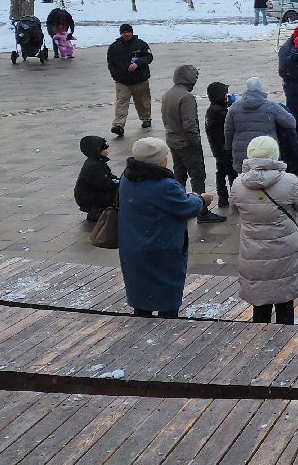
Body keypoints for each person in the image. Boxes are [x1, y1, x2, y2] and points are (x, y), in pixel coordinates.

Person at [117, 136, 212, 318]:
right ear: (160, 159)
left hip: (133, 246)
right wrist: (201, 199)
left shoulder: (127, 179)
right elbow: (187, 207)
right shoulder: (165, 185)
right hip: (161, 248)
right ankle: (166, 331)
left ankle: (140, 326)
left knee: (141, 295)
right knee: (167, 298)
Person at [230, 135, 298, 324]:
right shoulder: (289, 181)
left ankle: (260, 340)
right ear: (275, 155)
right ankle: (284, 342)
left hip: (253, 251)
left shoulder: (238, 183)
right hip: (284, 249)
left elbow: (235, 209)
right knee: (285, 300)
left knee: (260, 302)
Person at [160, 64, 225, 224]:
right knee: (198, 176)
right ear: (189, 79)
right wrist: (196, 142)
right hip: (187, 143)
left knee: (179, 175)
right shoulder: (186, 97)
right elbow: (189, 124)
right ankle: (201, 210)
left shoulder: (168, 94)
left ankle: (177, 207)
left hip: (173, 140)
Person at [224, 76, 297, 172]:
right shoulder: (271, 106)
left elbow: (228, 131)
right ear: (261, 88)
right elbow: (290, 122)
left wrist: (229, 148)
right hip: (266, 151)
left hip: (243, 152)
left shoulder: (234, 107)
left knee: (246, 180)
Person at [106, 24, 154, 138]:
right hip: (122, 82)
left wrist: (137, 63)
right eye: (124, 32)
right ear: (121, 33)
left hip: (140, 80)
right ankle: (118, 125)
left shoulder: (141, 44)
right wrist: (115, 76)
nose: (126, 34)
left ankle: (146, 118)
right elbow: (110, 63)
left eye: (128, 32)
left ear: (132, 32)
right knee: (121, 103)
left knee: (142, 102)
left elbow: (149, 57)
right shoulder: (114, 47)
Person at [74, 135, 119, 223]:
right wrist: (116, 183)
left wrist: (116, 180)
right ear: (96, 151)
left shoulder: (98, 162)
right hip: (89, 198)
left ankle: (100, 209)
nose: (107, 149)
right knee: (113, 192)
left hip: (90, 195)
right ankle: (97, 211)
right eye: (104, 148)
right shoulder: (94, 166)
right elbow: (102, 183)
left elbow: (108, 176)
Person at [204, 82, 234, 208]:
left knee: (220, 172)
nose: (227, 96)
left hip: (216, 148)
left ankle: (223, 198)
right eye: (225, 94)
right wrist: (232, 106)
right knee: (232, 173)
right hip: (224, 148)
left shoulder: (212, 109)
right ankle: (234, 196)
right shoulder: (221, 112)